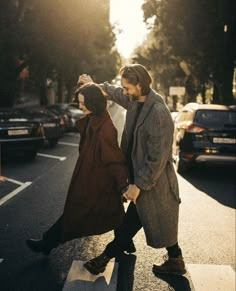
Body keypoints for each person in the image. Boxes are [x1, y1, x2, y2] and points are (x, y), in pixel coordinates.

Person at [79, 64, 186, 276]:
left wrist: (139, 186)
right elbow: (114, 91)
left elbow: (157, 158)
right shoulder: (135, 100)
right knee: (150, 224)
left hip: (153, 182)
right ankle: (176, 259)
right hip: (140, 177)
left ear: (140, 84)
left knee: (133, 222)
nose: (125, 91)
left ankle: (104, 258)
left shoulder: (158, 112)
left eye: (128, 87)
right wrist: (92, 84)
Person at [26, 83, 130, 255]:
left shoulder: (104, 128)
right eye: (80, 102)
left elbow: (114, 159)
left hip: (96, 182)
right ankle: (125, 241)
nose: (80, 106)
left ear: (93, 102)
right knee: (113, 213)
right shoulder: (95, 118)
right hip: (91, 178)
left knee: (74, 214)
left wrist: (123, 185)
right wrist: (84, 85)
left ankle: (46, 244)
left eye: (83, 103)